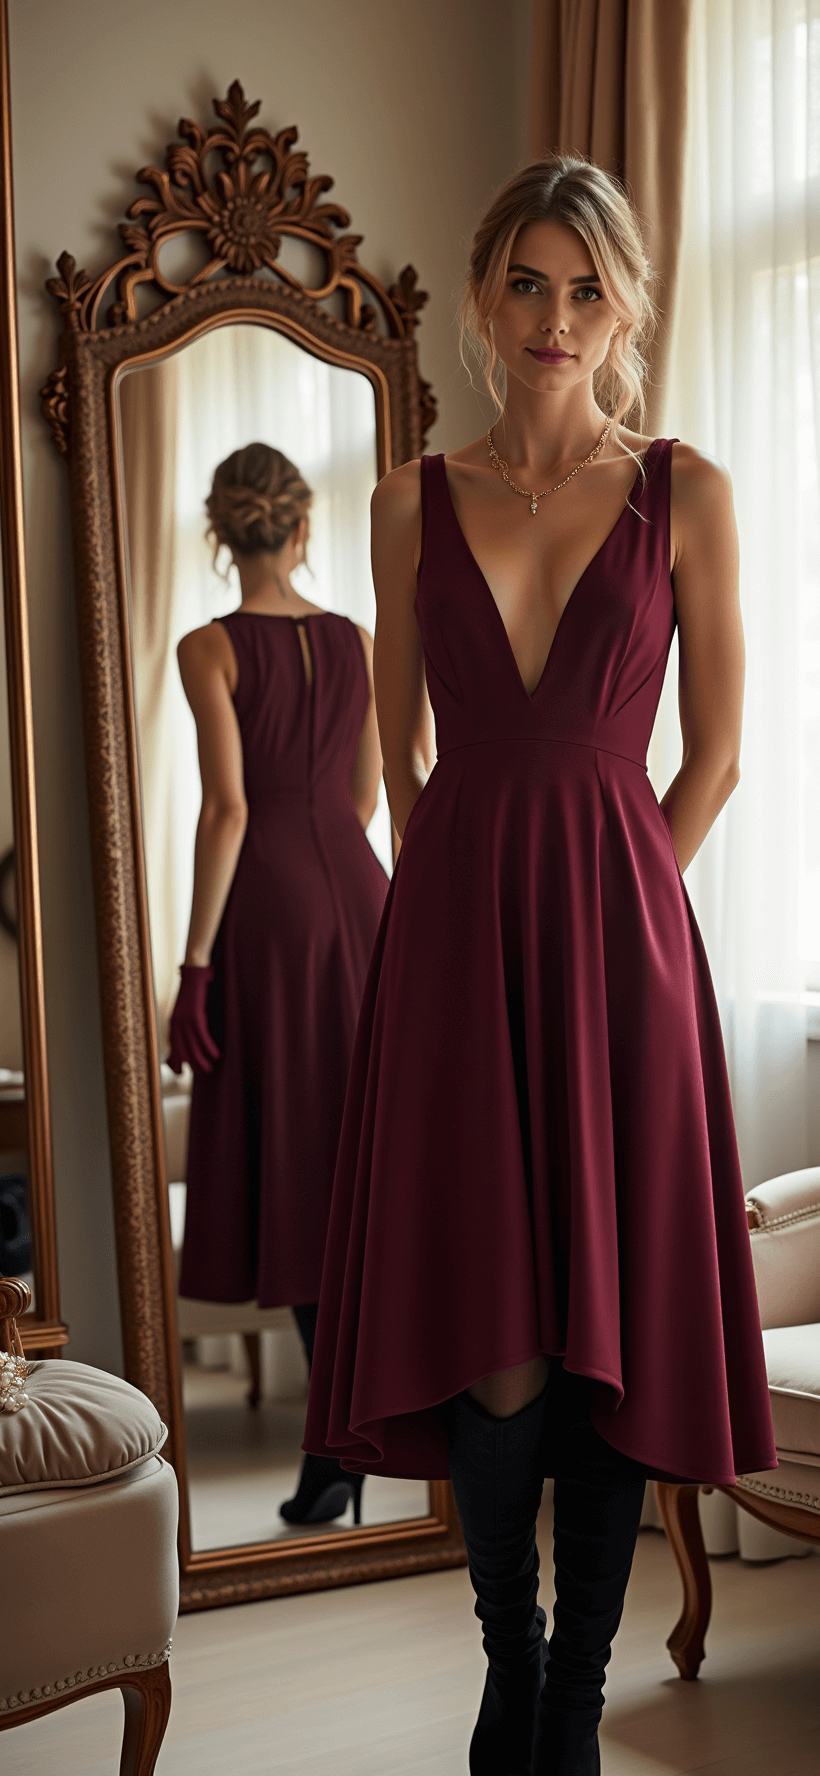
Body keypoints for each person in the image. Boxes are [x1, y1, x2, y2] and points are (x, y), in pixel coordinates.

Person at [304, 158, 776, 1776]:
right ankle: (509, 1650)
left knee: (601, 1343)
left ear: (626, 305)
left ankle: (572, 1709)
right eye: (527, 282)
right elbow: (401, 757)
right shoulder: (404, 502)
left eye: (586, 288)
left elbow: (714, 754)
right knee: (496, 1349)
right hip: (452, 956)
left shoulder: (684, 491)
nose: (555, 318)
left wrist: (619, 893)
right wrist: (463, 904)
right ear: (482, 294)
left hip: (621, 954)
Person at [168, 442, 388, 1528]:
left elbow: (228, 810)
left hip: (271, 912)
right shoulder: (356, 640)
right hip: (362, 893)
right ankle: (356, 1437)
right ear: (301, 529)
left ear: (222, 534)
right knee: (360, 1173)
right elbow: (368, 792)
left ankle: (335, 1448)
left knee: (301, 1180)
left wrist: (193, 966)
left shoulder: (208, 647)